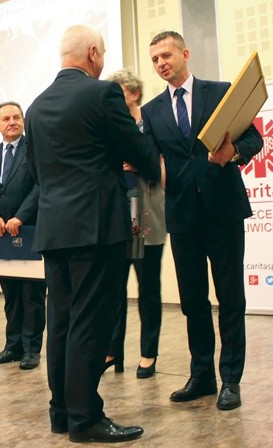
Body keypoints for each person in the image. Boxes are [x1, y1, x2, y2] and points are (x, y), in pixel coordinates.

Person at [24, 25, 159, 443]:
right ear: (94, 53)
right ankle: (85, 418)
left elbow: (35, 170)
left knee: (60, 320)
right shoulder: (102, 94)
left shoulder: (35, 106)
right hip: (96, 226)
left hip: (54, 228)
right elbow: (136, 152)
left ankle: (61, 412)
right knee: (90, 322)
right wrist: (152, 166)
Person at [141, 31, 263, 411]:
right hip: (182, 218)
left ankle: (231, 379)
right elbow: (152, 160)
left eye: (166, 55)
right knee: (193, 301)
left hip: (223, 212)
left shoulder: (220, 92)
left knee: (230, 298)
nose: (161, 63)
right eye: (155, 59)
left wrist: (233, 153)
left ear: (184, 54)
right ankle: (202, 375)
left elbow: (255, 140)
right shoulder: (152, 110)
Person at [0, 101, 46, 370]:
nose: (12, 122)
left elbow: (40, 185)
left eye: (16, 117)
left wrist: (20, 216)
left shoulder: (35, 149)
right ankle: (12, 346)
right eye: (6, 118)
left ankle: (31, 349)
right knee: (11, 293)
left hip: (29, 229)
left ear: (23, 120)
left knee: (32, 295)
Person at [102, 69, 166, 379]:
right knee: (113, 289)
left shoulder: (151, 123)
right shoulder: (109, 126)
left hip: (147, 216)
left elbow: (164, 169)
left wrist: (140, 161)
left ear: (134, 94)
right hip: (116, 216)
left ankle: (148, 353)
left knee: (148, 288)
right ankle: (113, 351)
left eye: (119, 92)